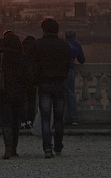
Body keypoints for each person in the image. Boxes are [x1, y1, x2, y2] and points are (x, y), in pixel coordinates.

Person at [0, 30, 35, 159]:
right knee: (15, 122)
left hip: (3, 93)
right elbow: (29, 78)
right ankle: (14, 149)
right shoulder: (22, 58)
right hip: (18, 93)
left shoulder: (0, 58)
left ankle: (8, 148)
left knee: (6, 122)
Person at [32, 17, 71, 157]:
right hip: (59, 83)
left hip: (44, 84)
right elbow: (67, 65)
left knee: (45, 118)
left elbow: (34, 65)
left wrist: (36, 80)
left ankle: (47, 148)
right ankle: (58, 146)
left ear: (43, 29)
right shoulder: (64, 45)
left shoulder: (37, 44)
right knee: (59, 118)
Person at [64, 30, 86, 126]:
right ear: (75, 36)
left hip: (59, 71)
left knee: (61, 95)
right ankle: (74, 118)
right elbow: (82, 60)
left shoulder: (62, 44)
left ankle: (62, 117)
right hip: (70, 70)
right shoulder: (76, 45)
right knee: (71, 94)